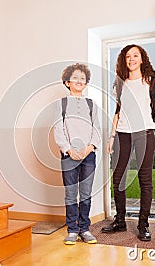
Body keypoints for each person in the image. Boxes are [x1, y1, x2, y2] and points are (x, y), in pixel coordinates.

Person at [101, 45, 155, 241]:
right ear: (124, 60)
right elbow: (117, 111)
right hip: (123, 133)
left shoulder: (151, 81)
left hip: (145, 132)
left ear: (142, 59)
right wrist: (111, 136)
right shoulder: (120, 83)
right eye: (127, 56)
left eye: (135, 55)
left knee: (145, 180)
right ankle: (120, 221)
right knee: (118, 179)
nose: (131, 59)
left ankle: (143, 224)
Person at [54, 63, 101, 245]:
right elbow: (58, 128)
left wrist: (89, 148)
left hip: (88, 155)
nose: (79, 81)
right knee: (71, 193)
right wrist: (69, 150)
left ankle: (85, 229)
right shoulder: (61, 103)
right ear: (67, 82)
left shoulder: (91, 104)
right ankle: (72, 230)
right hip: (68, 155)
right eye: (75, 78)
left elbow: (96, 129)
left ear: (86, 82)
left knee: (86, 193)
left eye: (82, 78)